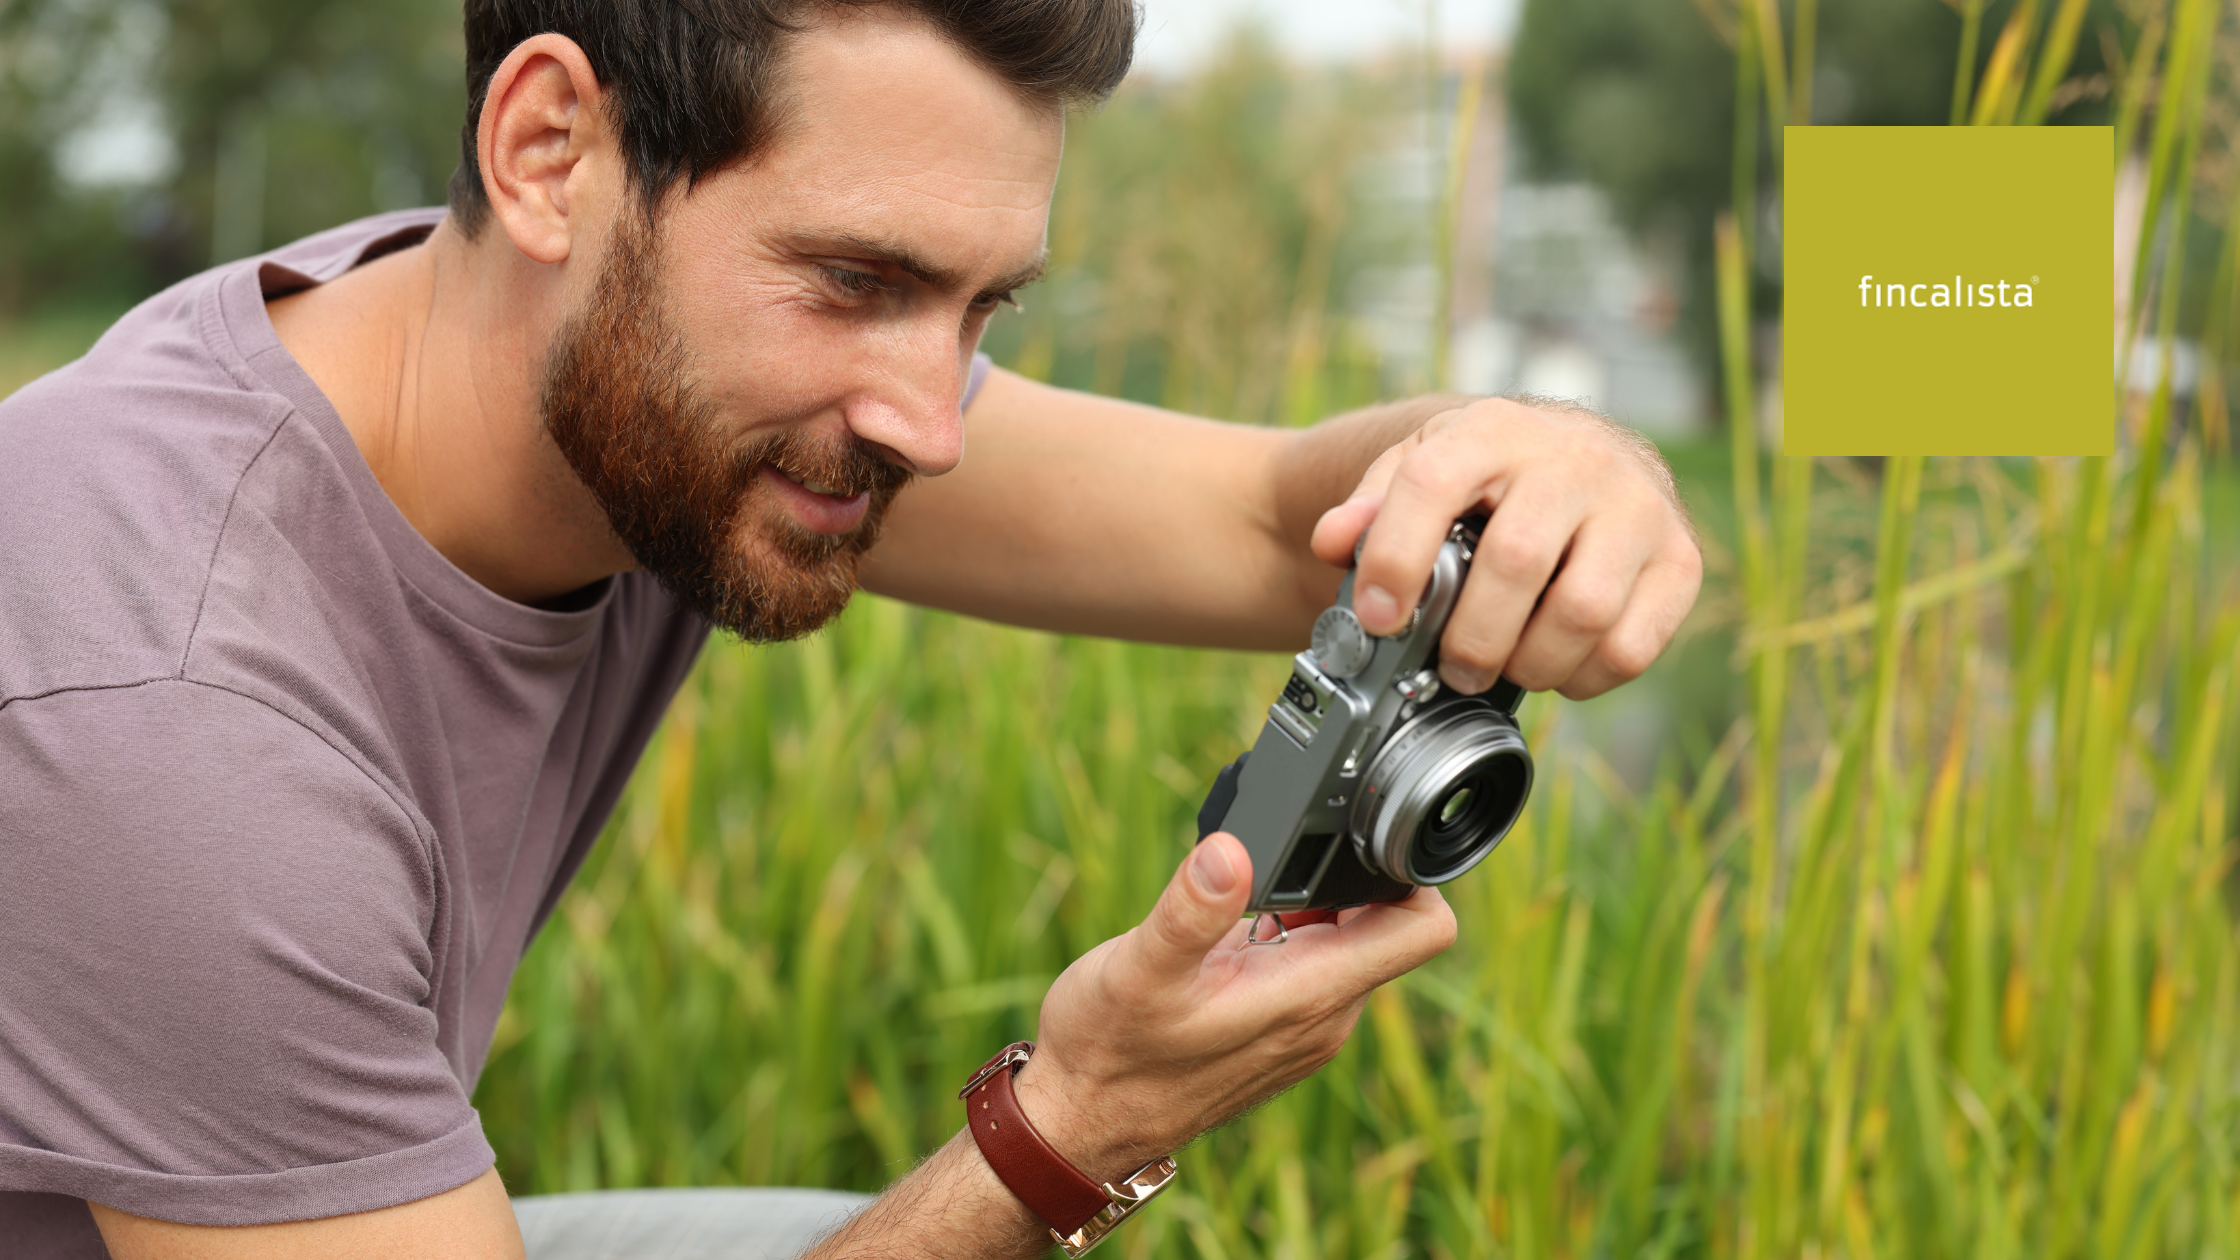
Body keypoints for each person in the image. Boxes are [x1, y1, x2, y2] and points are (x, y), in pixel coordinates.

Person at [0, 1, 1702, 1256]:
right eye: (857, 282)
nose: (934, 422)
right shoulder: (170, 709)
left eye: (977, 307)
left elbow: (1270, 524)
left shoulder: (557, 356)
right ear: (548, 152)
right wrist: (1069, 1134)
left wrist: (1538, 463)